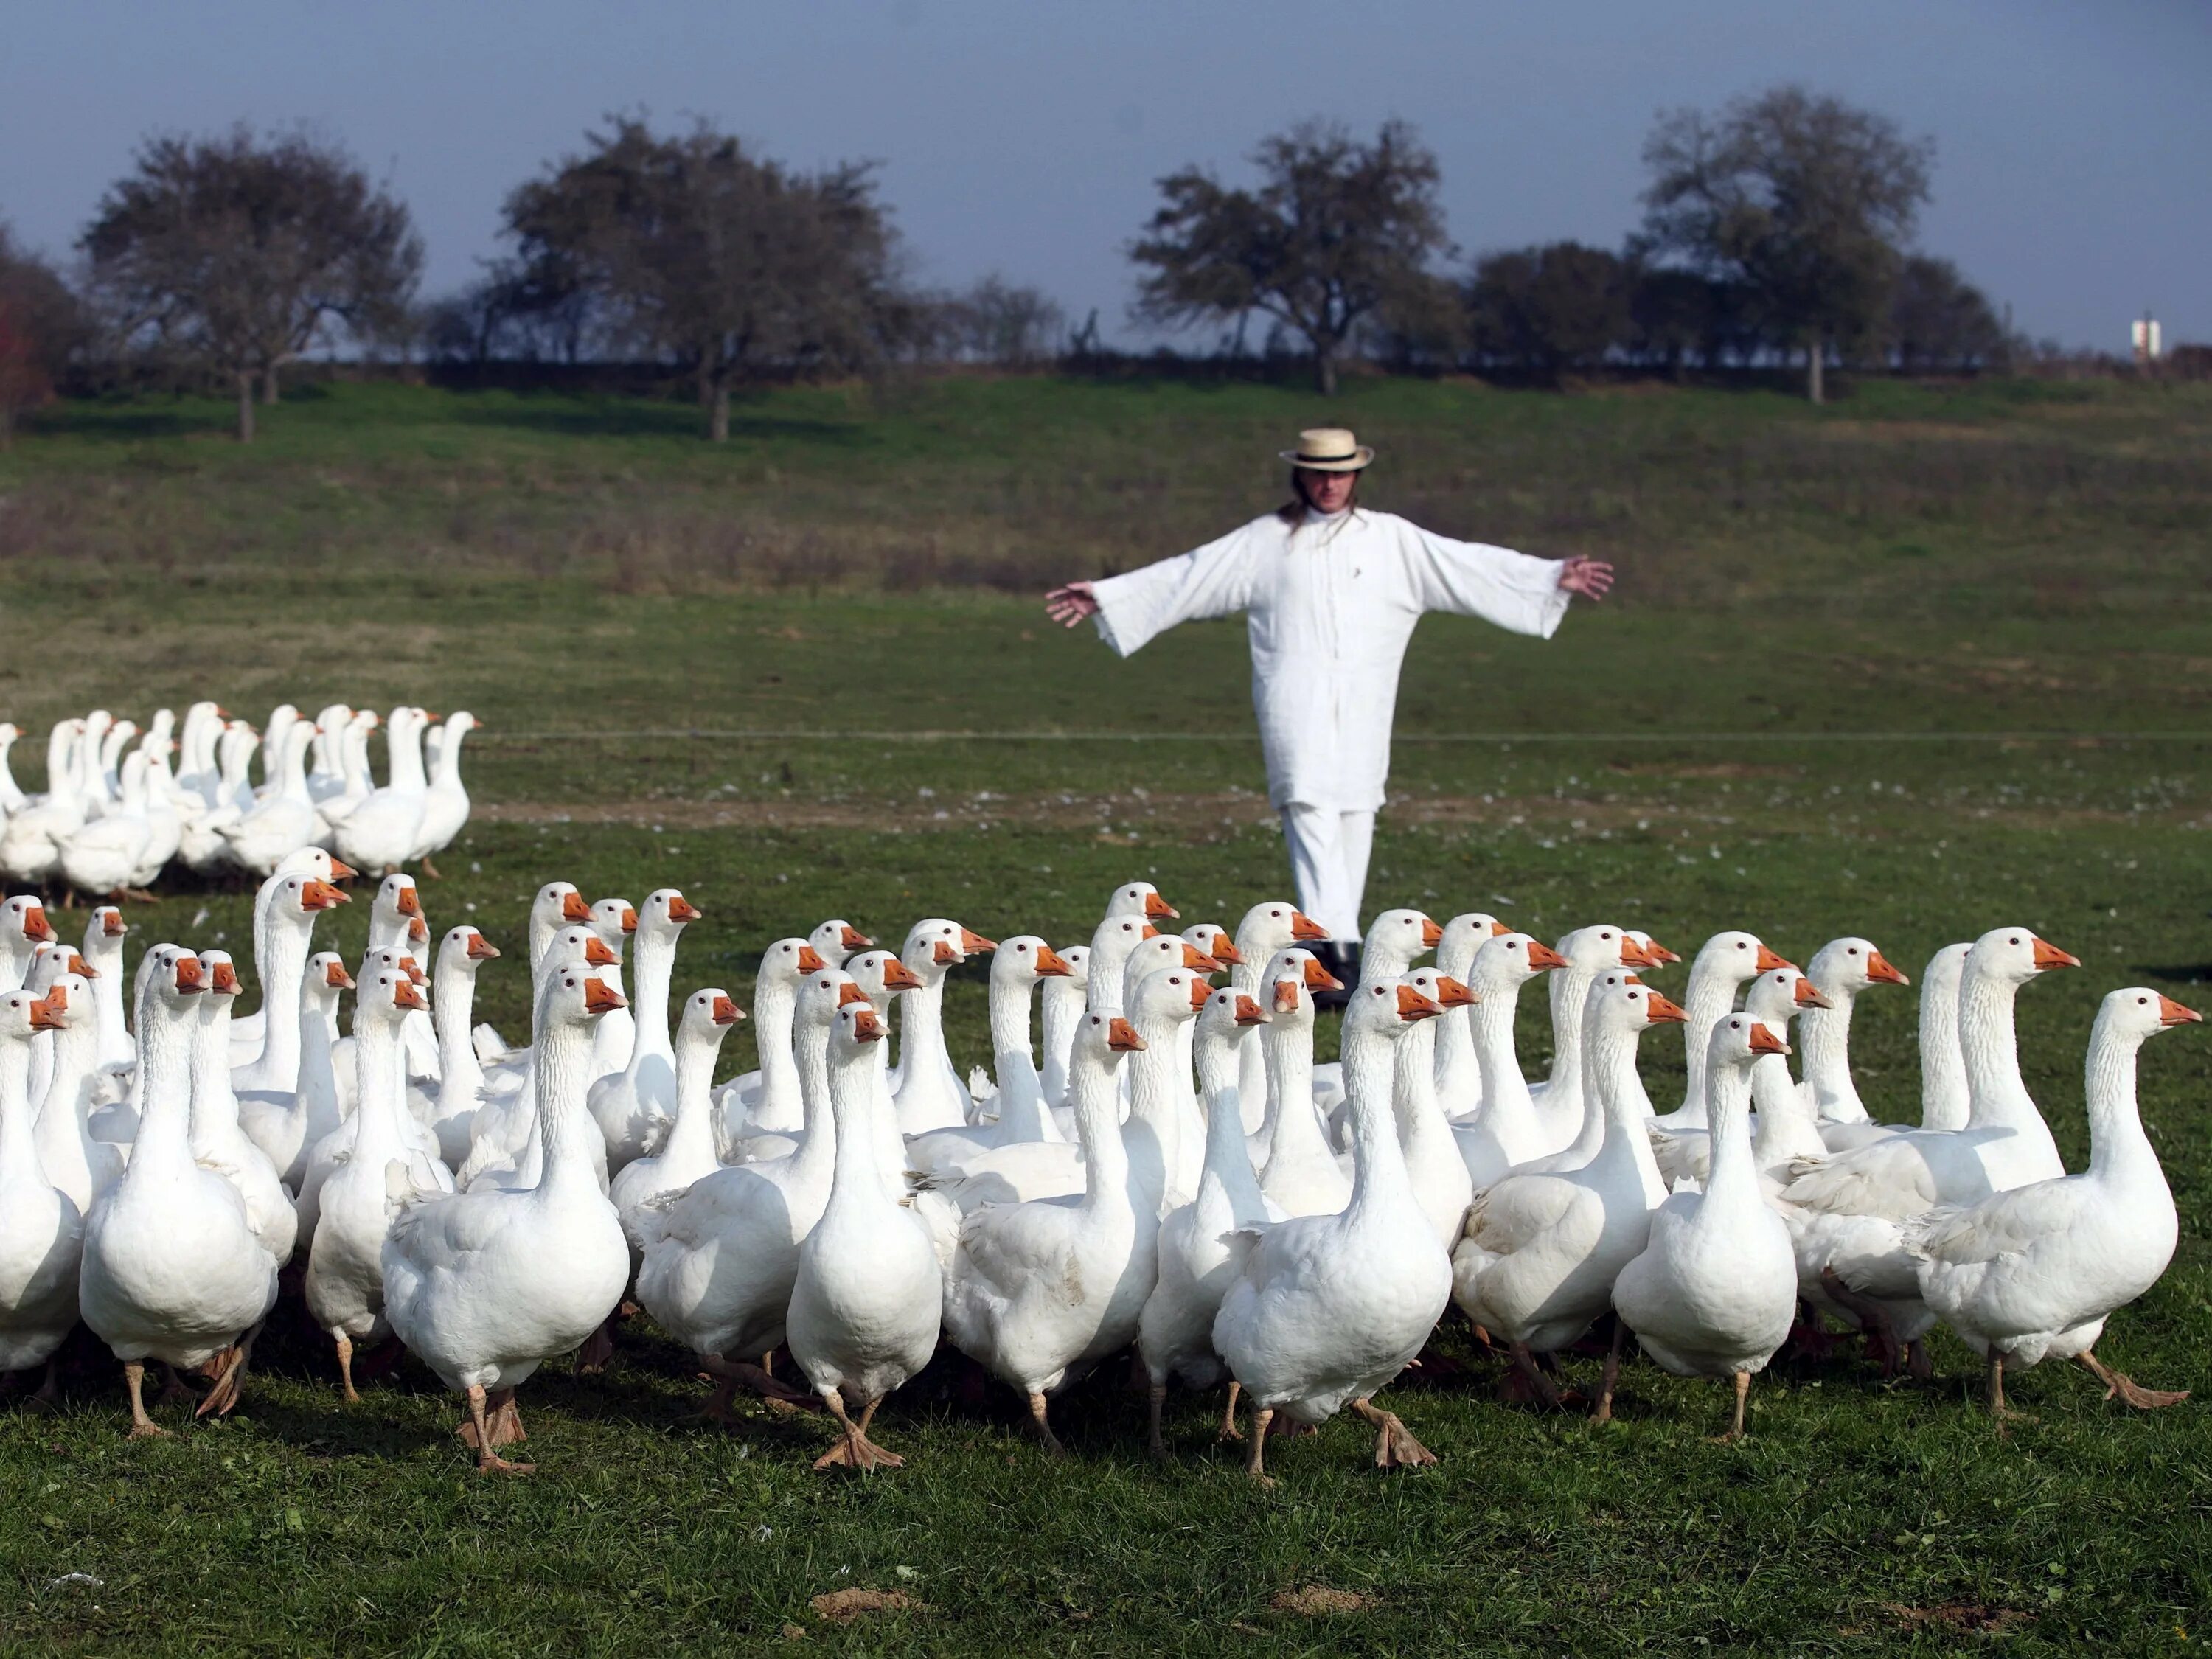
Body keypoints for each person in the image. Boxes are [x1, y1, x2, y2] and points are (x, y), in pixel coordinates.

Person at [1046, 427, 1613, 995]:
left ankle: (1341, 948)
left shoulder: (1391, 539)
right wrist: (1111, 595)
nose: (1329, 483)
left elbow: (1468, 566)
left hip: (1365, 699)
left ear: (1356, 476)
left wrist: (1547, 576)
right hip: (1294, 696)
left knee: (1356, 808)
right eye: (1319, 472)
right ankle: (1333, 949)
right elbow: (1192, 572)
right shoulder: (1268, 540)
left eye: (1340, 473)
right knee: (1307, 801)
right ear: (1301, 475)